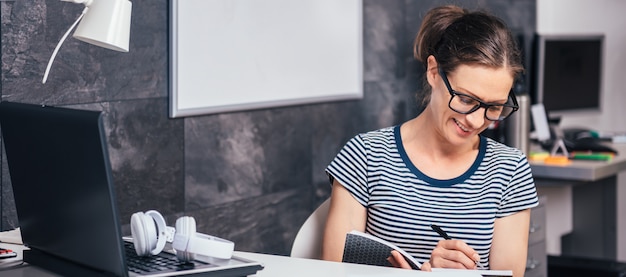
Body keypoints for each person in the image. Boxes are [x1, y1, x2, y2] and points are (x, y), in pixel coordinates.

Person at [321, 5, 538, 277]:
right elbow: (330, 271)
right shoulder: (365, 155)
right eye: (466, 99)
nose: (476, 120)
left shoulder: (510, 170)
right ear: (434, 72)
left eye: (494, 106)